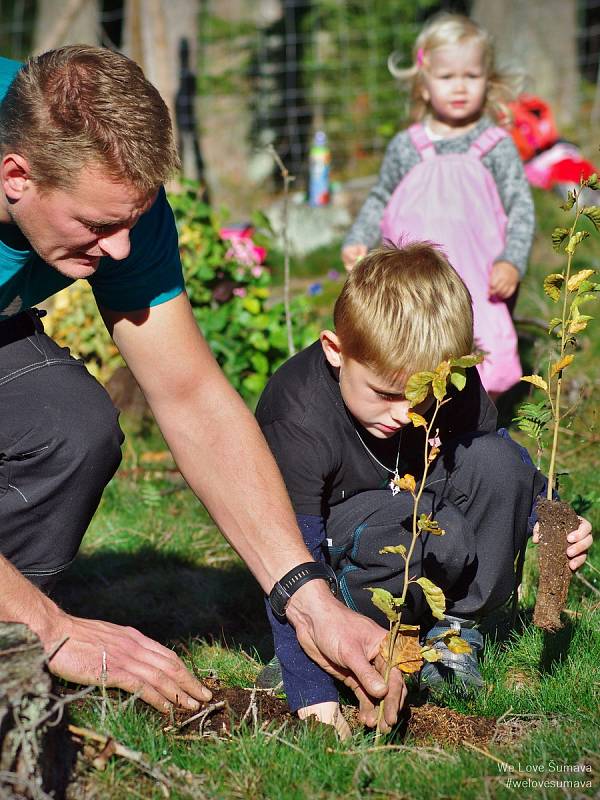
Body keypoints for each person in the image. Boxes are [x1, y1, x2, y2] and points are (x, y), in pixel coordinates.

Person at [0, 46, 406, 732]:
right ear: (17, 175)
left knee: (68, 423)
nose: (122, 250)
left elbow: (189, 393)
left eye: (133, 221)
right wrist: (50, 626)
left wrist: (309, 599)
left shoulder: (113, 193)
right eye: (98, 227)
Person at [256, 244, 593, 737]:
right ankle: (338, 645)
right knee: (441, 533)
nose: (405, 413)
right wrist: (311, 691)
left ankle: (454, 634)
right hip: (335, 559)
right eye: (387, 394)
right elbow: (287, 550)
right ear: (335, 350)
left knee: (499, 461)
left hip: (418, 514)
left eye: (424, 397)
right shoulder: (298, 417)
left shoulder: (448, 381)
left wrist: (542, 514)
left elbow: (489, 462)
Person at [341, 12, 533, 398]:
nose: (459, 87)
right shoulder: (407, 146)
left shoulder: (495, 146)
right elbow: (381, 197)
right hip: (419, 278)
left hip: (481, 276)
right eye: (447, 77)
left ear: (488, 80)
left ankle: (478, 426)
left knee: (485, 353)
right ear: (424, 85)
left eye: (471, 76)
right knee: (413, 345)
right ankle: (421, 429)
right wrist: (359, 237)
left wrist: (512, 258)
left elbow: (521, 207)